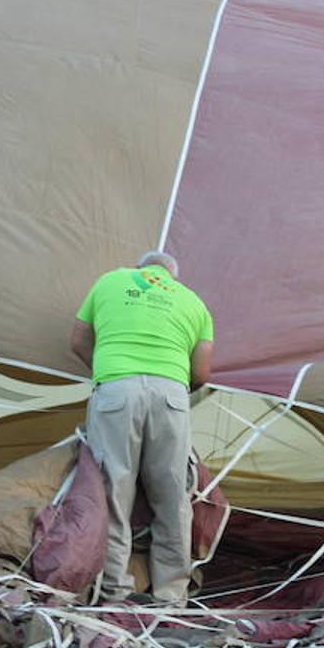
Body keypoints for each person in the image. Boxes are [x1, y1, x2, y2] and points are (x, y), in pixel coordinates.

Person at [70, 250, 214, 606]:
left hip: (116, 389)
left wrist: (109, 373)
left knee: (113, 492)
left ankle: (114, 591)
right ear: (171, 277)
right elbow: (201, 373)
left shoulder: (109, 282)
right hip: (171, 395)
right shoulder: (193, 302)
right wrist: (170, 389)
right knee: (172, 497)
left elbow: (77, 340)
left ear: (139, 268)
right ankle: (171, 595)